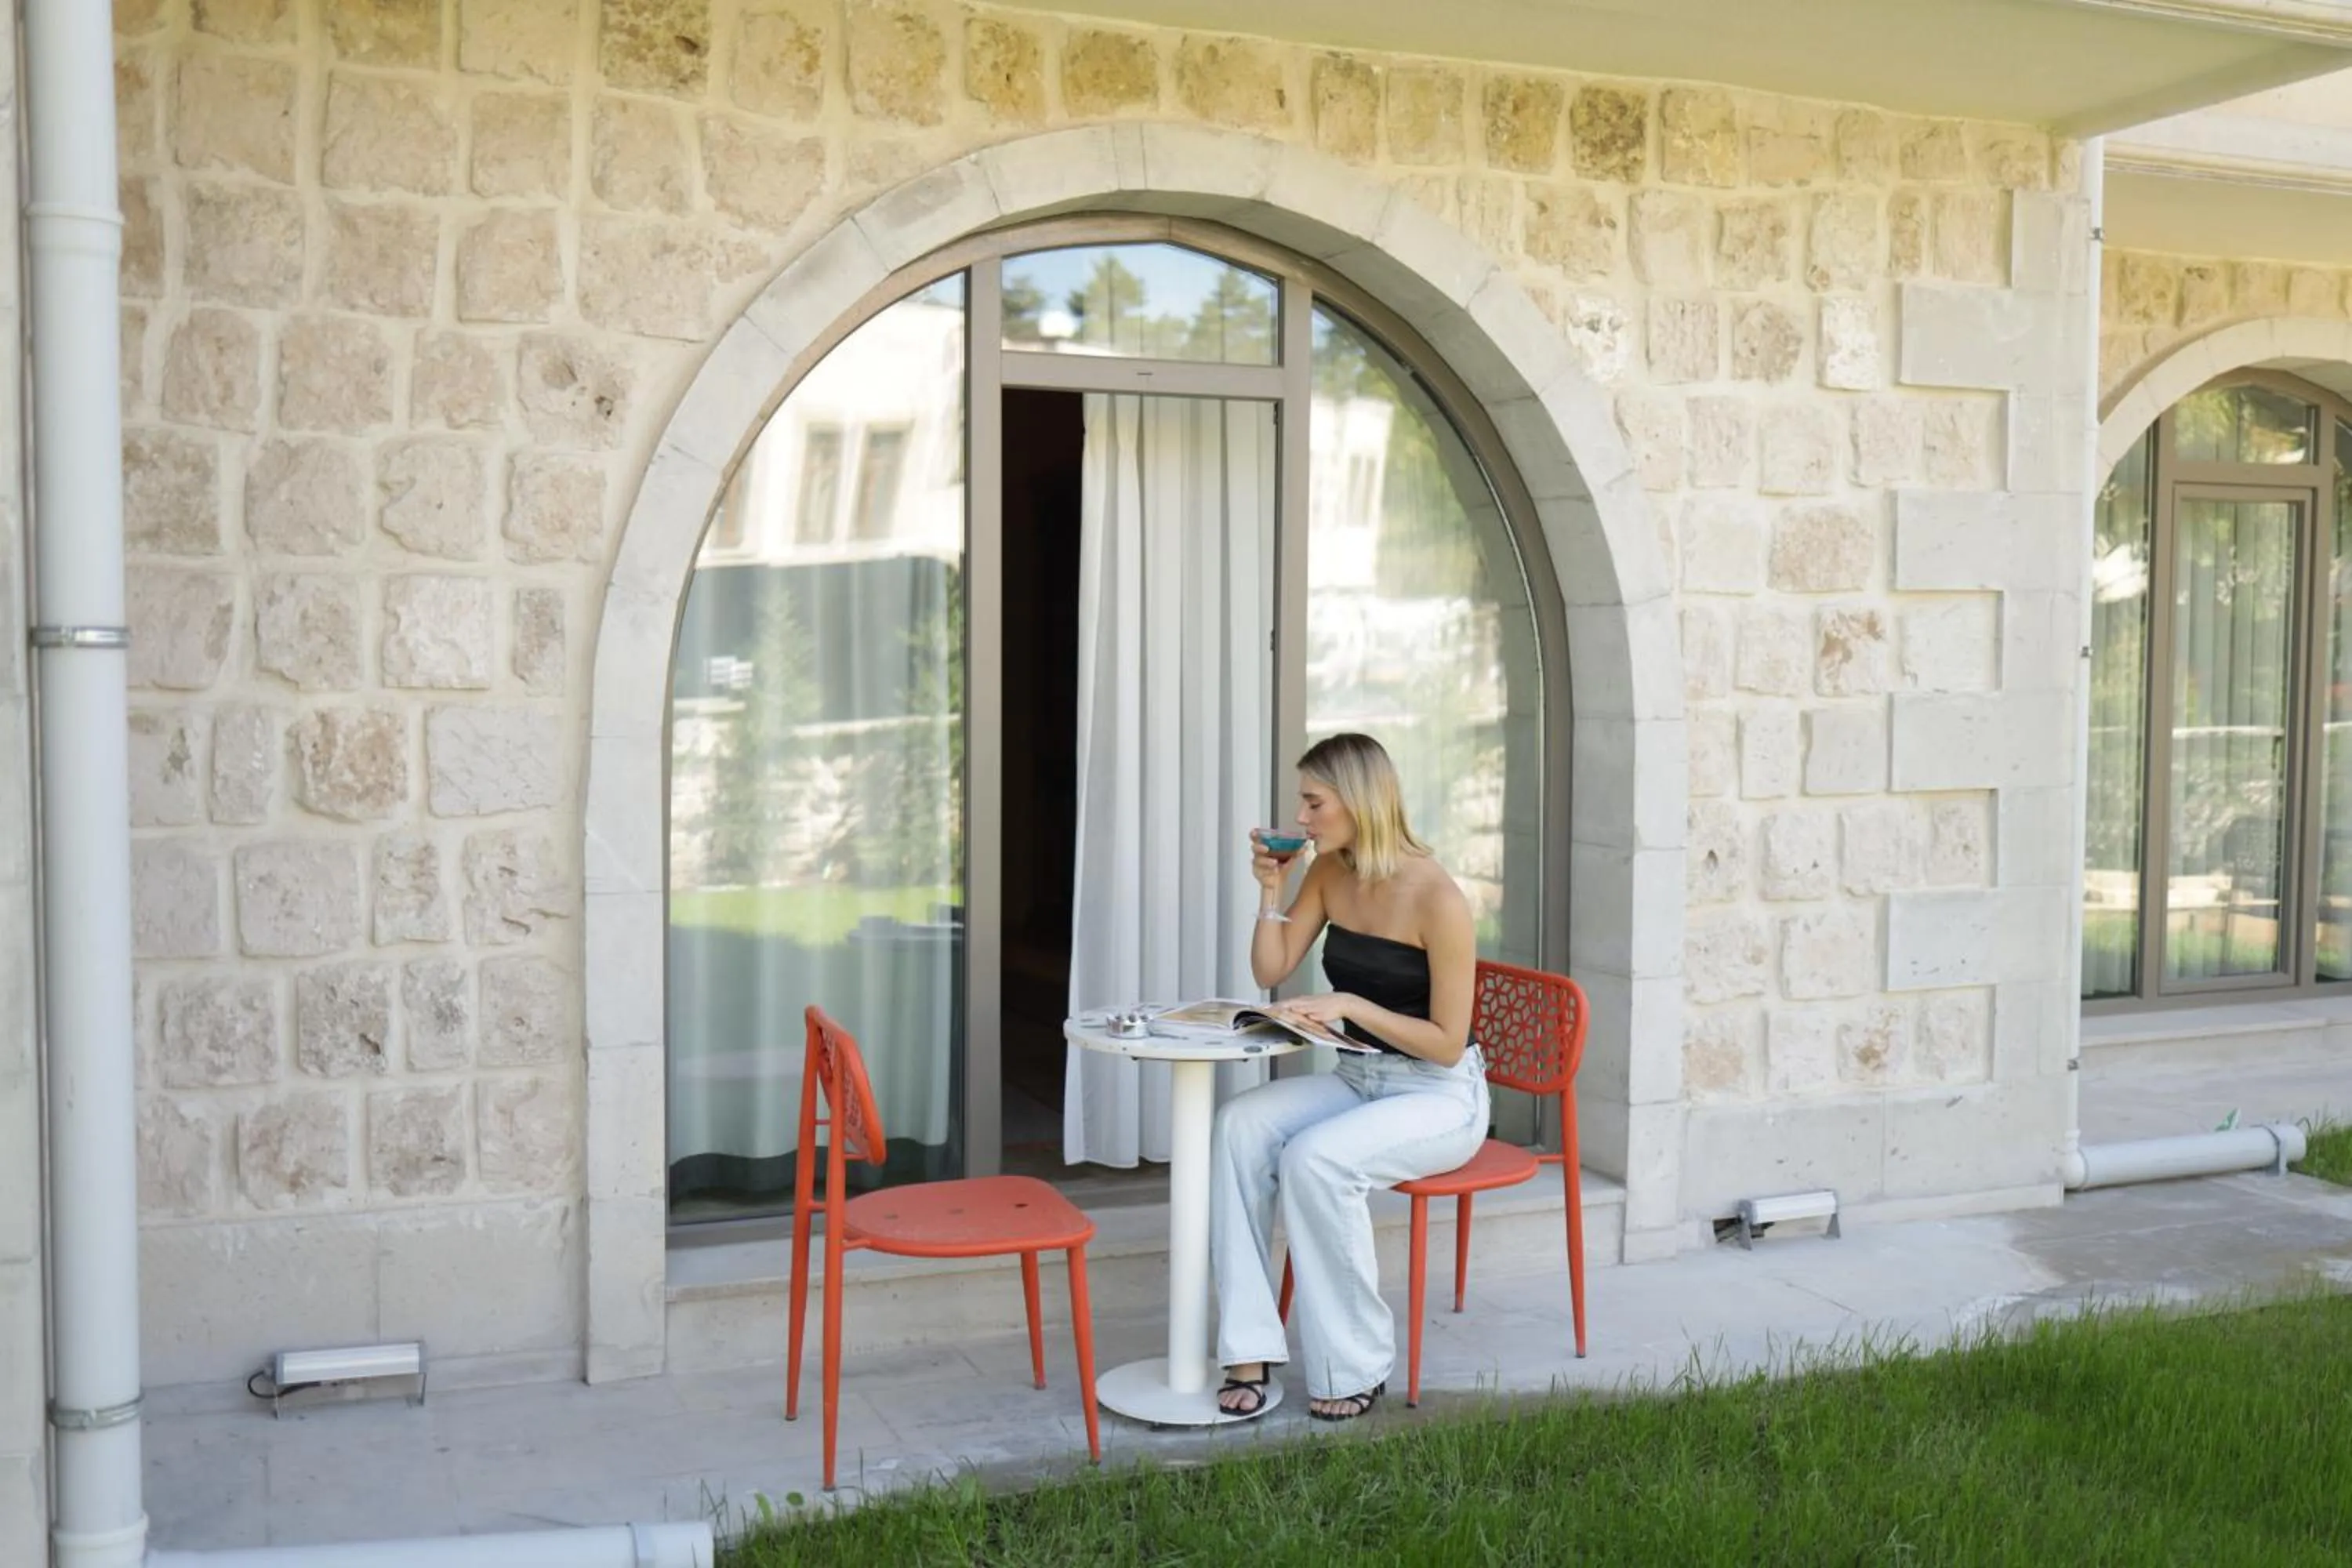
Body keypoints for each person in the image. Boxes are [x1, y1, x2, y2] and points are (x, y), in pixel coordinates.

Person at [1207, 731, 1486, 1421]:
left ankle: (1353, 1367)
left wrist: (1353, 1006)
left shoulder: (1438, 899)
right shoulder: (1330, 871)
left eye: (1314, 803)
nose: (1301, 818)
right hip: (1360, 1079)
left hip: (1439, 1097)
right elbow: (1271, 970)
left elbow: (1447, 1045)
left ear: (1360, 801)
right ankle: (1248, 1348)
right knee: (1239, 1125)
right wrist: (1270, 892)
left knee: (1316, 1160)